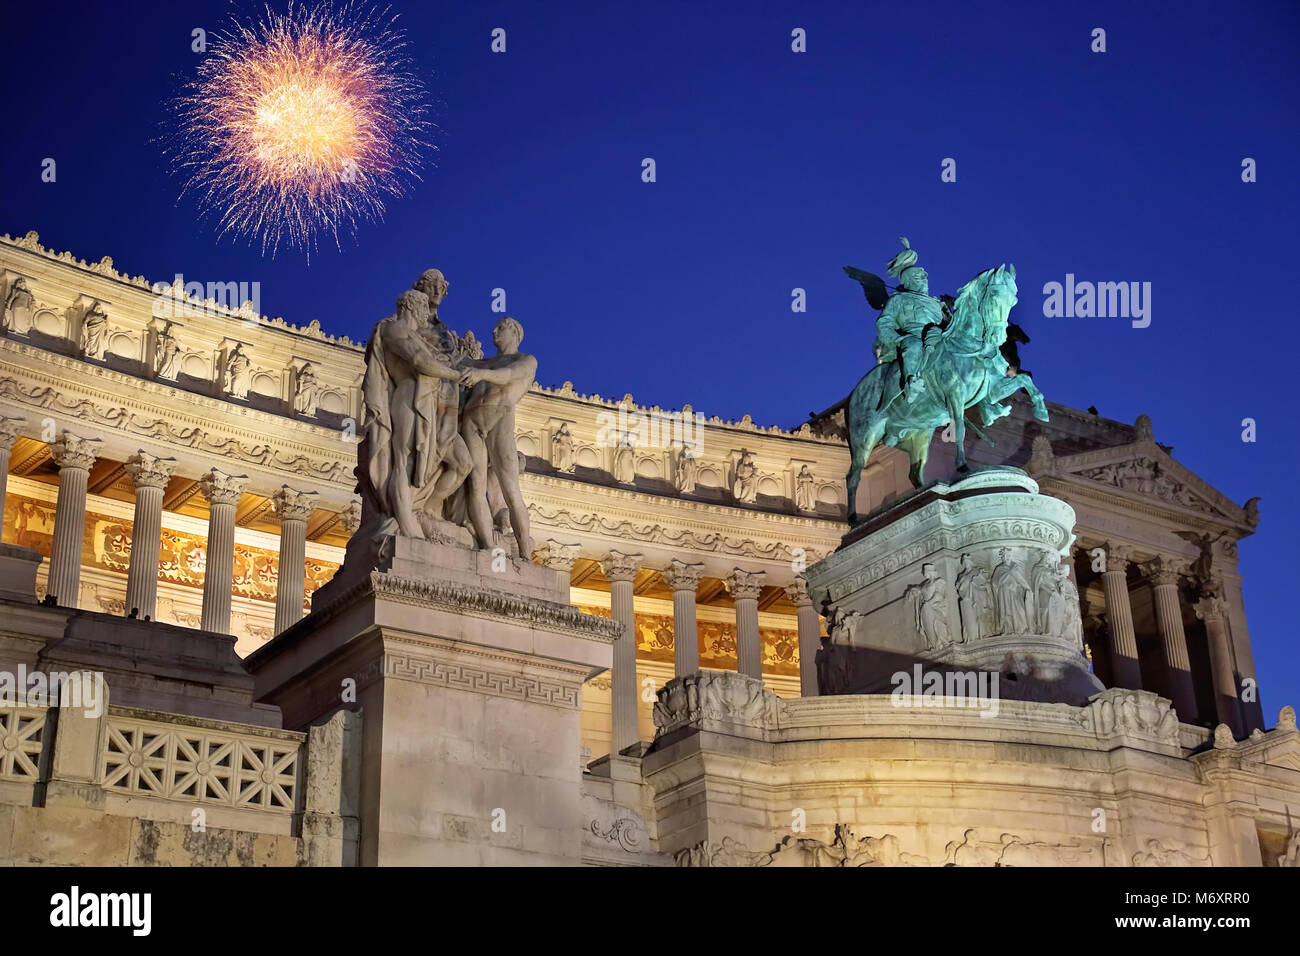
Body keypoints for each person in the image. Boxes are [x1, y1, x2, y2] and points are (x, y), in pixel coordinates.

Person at [457, 317, 538, 556]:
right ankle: (488, 547)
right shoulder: (483, 363)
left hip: (499, 418)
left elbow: (509, 375)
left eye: (501, 327)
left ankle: (524, 554)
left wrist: (480, 374)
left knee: (510, 490)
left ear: (515, 332)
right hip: (472, 421)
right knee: (475, 484)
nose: (494, 330)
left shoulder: (525, 360)